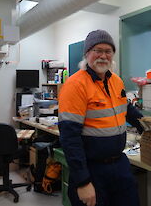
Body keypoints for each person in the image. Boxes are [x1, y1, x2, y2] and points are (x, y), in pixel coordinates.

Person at [58, 29, 144, 206]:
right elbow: (69, 137)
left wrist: (150, 129)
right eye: (98, 50)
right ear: (87, 53)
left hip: (119, 164)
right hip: (91, 168)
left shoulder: (116, 81)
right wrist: (82, 181)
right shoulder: (75, 85)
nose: (103, 56)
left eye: (108, 51)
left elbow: (125, 108)